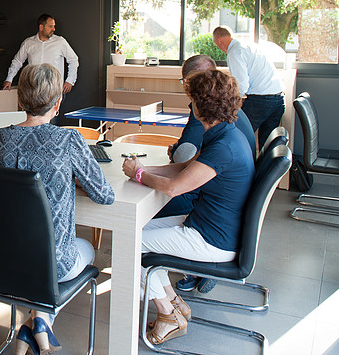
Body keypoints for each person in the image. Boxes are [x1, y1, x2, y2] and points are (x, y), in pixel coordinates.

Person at [0, 63, 114, 355]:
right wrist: (73, 178)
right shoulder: (68, 139)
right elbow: (104, 195)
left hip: (4, 260)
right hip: (55, 265)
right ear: (58, 103)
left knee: (30, 257)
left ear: (20, 101)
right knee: (85, 251)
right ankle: (40, 324)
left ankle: (36, 324)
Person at [122, 69, 254, 346]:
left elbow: (174, 187)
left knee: (129, 246)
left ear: (199, 106)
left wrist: (139, 175)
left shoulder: (223, 147)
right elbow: (185, 168)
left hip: (213, 239)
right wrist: (144, 168)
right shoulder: (225, 133)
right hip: (208, 224)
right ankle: (172, 302)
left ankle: (168, 315)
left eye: (191, 99)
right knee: (136, 231)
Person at [158, 54, 256, 294]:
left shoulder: (218, 135)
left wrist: (141, 175)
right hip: (227, 209)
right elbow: (192, 158)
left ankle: (189, 273)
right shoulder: (231, 121)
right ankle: (173, 302)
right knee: (143, 227)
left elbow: (185, 163)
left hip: (213, 227)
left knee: (155, 208)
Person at [212, 26, 284, 151]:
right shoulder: (249, 46)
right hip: (278, 98)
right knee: (268, 146)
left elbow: (242, 84)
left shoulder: (235, 51)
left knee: (237, 136)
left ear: (218, 40)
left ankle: (238, 169)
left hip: (261, 101)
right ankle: (263, 171)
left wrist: (228, 104)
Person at [3, 14, 79, 95]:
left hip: (54, 91)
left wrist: (70, 81)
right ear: (41, 27)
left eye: (54, 26)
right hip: (34, 90)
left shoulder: (60, 42)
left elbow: (73, 60)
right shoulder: (28, 43)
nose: (54, 29)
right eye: (50, 26)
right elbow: (17, 61)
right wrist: (9, 79)